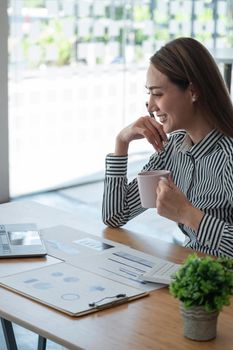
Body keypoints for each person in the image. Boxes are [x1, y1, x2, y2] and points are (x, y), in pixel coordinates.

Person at [102, 37, 233, 258]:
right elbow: (115, 216)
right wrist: (121, 142)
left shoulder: (228, 156)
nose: (151, 107)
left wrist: (187, 213)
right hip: (189, 272)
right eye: (149, 93)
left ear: (193, 91)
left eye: (158, 93)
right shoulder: (173, 149)